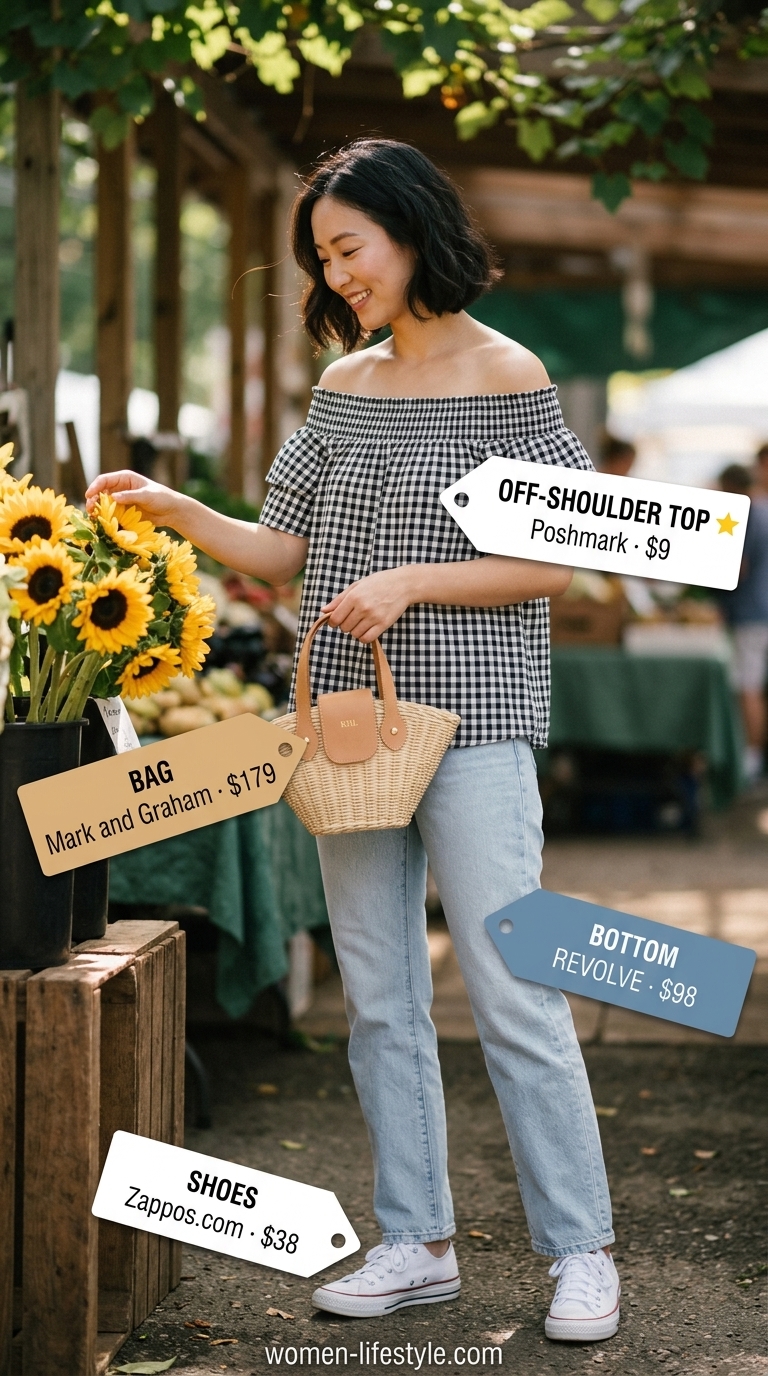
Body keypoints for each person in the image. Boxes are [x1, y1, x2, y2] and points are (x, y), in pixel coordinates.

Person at [86, 139, 619, 1344]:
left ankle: (581, 1250)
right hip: (348, 727)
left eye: (347, 248)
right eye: (323, 258)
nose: (336, 275)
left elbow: (561, 556)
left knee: (514, 991)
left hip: (474, 721)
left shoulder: (510, 373)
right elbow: (281, 547)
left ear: (410, 227)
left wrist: (412, 582)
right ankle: (416, 1240)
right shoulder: (342, 388)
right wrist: (176, 510)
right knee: (379, 996)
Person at [719, 463, 768, 783]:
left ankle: (751, 758)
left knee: (748, 687)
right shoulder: (761, 511)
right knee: (753, 685)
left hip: (751, 614)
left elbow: (739, 567)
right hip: (757, 610)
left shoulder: (749, 515)